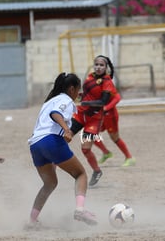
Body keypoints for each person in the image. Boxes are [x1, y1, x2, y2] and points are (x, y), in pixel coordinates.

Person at [28, 72, 97, 226]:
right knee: (81, 174)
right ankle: (80, 210)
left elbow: (49, 115)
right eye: (77, 90)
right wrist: (66, 129)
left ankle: (32, 220)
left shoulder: (48, 101)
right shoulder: (65, 100)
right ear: (71, 89)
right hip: (51, 141)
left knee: (49, 183)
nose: (78, 94)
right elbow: (56, 114)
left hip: (35, 145)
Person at [70, 55, 134, 187]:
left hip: (95, 119)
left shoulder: (107, 82)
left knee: (86, 149)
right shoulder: (89, 77)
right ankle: (53, 163)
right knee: (65, 137)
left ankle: (97, 170)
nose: (98, 67)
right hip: (81, 115)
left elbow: (104, 101)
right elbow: (88, 94)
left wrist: (86, 102)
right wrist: (77, 96)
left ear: (106, 67)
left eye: (101, 65)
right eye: (96, 64)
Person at [94, 91, 136, 167]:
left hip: (110, 115)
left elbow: (117, 97)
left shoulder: (106, 82)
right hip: (100, 114)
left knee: (115, 138)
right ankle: (106, 153)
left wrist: (107, 107)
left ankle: (129, 158)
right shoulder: (92, 81)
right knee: (89, 134)